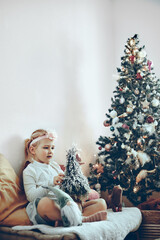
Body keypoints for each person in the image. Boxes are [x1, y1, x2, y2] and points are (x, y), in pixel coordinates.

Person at [23, 129, 107, 227]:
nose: (50, 151)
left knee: (101, 203)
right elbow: (31, 196)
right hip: (50, 206)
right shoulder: (30, 170)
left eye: (52, 148)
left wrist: (73, 174)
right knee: (44, 203)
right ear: (33, 150)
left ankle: (70, 219)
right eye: (46, 148)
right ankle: (79, 219)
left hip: (65, 204)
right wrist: (51, 182)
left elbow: (66, 184)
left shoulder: (54, 165)